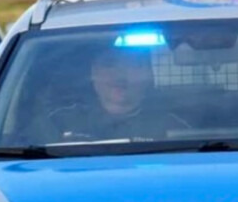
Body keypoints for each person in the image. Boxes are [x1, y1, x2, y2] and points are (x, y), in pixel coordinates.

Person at [40, 46, 186, 143]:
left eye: (133, 65)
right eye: (109, 64)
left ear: (148, 74)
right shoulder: (59, 122)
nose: (120, 75)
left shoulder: (173, 128)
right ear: (93, 72)